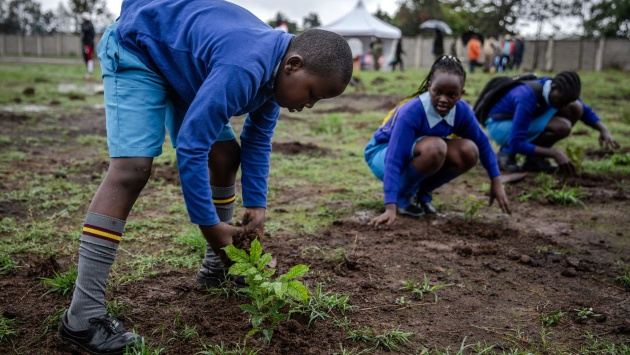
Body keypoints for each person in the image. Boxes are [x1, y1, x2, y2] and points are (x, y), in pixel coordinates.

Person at [57, 0, 353, 353]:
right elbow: (192, 145)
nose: (309, 105)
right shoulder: (245, 67)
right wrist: (210, 226)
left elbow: (257, 142)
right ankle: (83, 315)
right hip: (137, 49)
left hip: (182, 69)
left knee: (225, 154)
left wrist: (257, 208)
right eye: (312, 94)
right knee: (132, 169)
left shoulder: (276, 75)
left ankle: (216, 269)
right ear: (293, 65)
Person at [364, 55, 510, 227]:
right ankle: (402, 197)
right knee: (435, 147)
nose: (443, 99)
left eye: (451, 95)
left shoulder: (462, 112)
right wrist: (390, 205)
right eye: (438, 92)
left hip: (419, 152)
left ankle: (423, 193)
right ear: (429, 87)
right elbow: (394, 158)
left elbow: (483, 145)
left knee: (469, 151)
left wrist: (496, 180)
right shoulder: (412, 111)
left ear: (460, 95)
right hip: (382, 152)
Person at [484, 71, 619, 174]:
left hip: (518, 122)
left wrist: (603, 129)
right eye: (562, 101)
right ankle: (506, 153)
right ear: (554, 88)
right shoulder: (527, 97)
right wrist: (554, 153)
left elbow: (585, 110)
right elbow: (517, 142)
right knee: (561, 126)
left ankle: (534, 161)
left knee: (576, 107)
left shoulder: (556, 91)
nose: (563, 106)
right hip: (499, 126)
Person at [80, 12, 95, 79]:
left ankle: (90, 72)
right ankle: (89, 71)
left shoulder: (89, 25)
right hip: (85, 44)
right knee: (86, 57)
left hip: (89, 44)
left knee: (89, 58)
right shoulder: (85, 25)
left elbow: (85, 29)